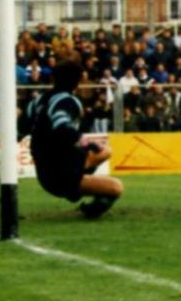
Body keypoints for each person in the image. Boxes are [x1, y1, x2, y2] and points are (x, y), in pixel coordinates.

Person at [22, 60, 123, 218]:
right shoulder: (67, 101)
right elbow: (62, 128)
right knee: (116, 187)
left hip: (44, 170)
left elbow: (23, 124)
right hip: (60, 172)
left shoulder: (39, 100)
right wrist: (87, 142)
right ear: (77, 82)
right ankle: (86, 206)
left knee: (105, 151)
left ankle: (77, 185)